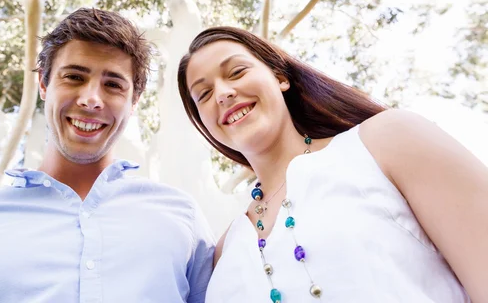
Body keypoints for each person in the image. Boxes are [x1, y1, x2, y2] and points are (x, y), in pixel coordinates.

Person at [0, 8, 215, 303]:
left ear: (134, 101)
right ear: (44, 84)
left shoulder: (181, 217)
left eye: (113, 84)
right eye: (74, 77)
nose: (91, 99)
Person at [177, 26, 488, 302]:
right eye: (203, 94)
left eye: (236, 72)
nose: (223, 93)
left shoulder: (386, 141)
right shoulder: (224, 251)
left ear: (279, 77)